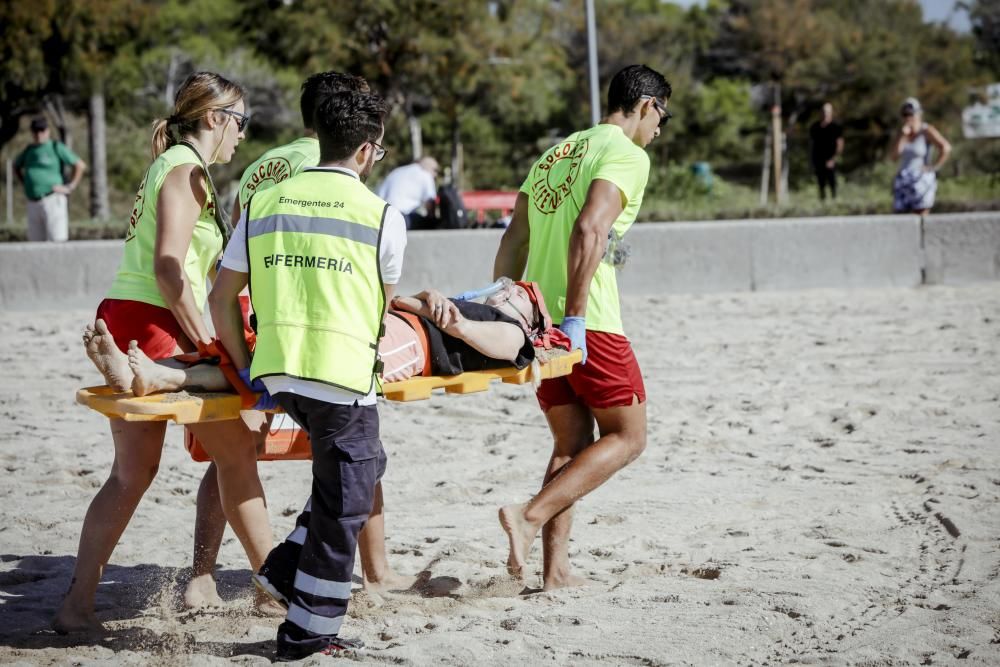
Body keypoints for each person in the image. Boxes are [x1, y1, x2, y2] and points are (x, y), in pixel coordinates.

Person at [53, 71, 273, 633]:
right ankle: (275, 592)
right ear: (215, 118)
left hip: (125, 313)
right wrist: (208, 344)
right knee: (239, 452)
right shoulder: (186, 169)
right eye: (240, 123)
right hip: (156, 318)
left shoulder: (166, 165)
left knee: (131, 474)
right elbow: (170, 271)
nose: (242, 137)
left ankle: (77, 606)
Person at [209, 88, 401, 660]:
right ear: (367, 151)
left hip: (279, 373)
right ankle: (307, 634)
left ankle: (285, 565)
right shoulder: (381, 215)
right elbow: (381, 310)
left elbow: (222, 299)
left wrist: (246, 370)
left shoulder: (266, 202)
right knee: (346, 501)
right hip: (341, 377)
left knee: (362, 469)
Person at [184, 71, 377, 607]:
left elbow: (236, 254)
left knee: (233, 448)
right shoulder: (325, 168)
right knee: (355, 450)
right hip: (296, 319)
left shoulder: (262, 165)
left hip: (247, 304)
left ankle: (203, 576)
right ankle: (374, 574)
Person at [493, 64, 671, 590]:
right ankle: (528, 515)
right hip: (586, 322)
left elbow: (512, 241)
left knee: (571, 444)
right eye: (663, 115)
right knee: (629, 437)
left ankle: (555, 572)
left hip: (535, 321)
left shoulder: (556, 153)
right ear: (645, 105)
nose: (660, 129)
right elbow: (590, 227)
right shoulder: (627, 153)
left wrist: (505, 310)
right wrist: (574, 318)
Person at [14, 116, 87, 242]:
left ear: (47, 131)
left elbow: (79, 165)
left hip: (52, 199)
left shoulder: (55, 147)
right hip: (33, 201)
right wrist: (25, 183)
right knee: (35, 245)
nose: (39, 134)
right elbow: (16, 166)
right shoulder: (29, 150)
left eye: (42, 130)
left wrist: (70, 186)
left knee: (56, 241)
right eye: (36, 131)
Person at [892, 97, 951, 215]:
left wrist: (934, 167)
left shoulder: (926, 130)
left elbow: (946, 148)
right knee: (899, 218)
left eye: (911, 114)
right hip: (903, 179)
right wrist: (903, 137)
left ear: (919, 114)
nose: (908, 118)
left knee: (920, 216)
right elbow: (894, 157)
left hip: (921, 180)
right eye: (905, 115)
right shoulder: (902, 133)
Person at [376, 155, 439, 229]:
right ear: (427, 166)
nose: (436, 174)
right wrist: (432, 220)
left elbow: (380, 195)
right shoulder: (425, 174)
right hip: (403, 218)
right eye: (435, 170)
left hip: (383, 217)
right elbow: (430, 201)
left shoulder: (396, 171)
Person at [809, 102, 843, 201]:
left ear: (831, 112)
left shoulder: (835, 127)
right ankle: (822, 201)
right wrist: (811, 159)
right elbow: (811, 144)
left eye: (827, 111)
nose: (825, 113)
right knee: (820, 182)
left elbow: (840, 144)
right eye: (823, 111)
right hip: (818, 159)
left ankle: (834, 200)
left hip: (831, 159)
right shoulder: (815, 127)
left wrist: (833, 159)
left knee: (832, 181)